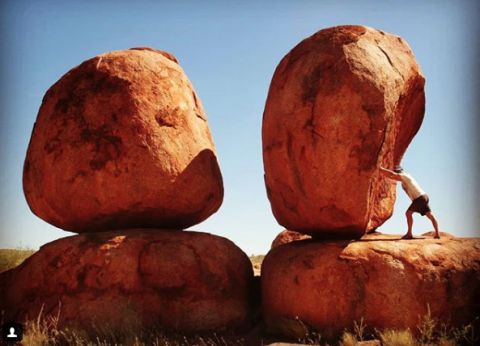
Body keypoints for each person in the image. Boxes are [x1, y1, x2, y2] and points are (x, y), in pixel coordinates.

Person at [379, 166, 440, 239]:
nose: (397, 174)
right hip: (423, 196)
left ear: (401, 171)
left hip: (419, 198)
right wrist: (382, 173)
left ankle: (409, 233)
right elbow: (393, 176)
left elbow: (392, 174)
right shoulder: (404, 179)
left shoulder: (405, 175)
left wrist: (381, 169)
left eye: (397, 172)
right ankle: (437, 233)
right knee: (429, 215)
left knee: (408, 213)